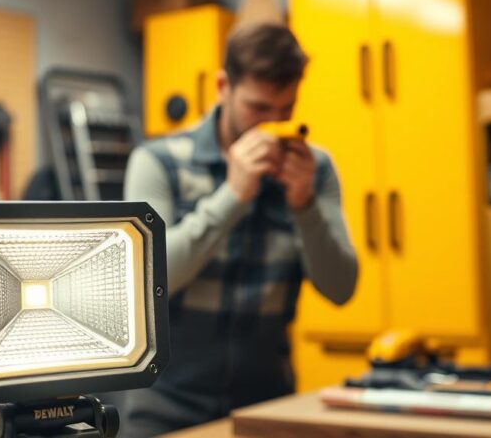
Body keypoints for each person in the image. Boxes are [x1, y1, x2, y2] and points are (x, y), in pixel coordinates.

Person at [119, 23, 358, 436]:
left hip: (267, 402)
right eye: (258, 108)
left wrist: (304, 206)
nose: (273, 126)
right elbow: (146, 280)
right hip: (164, 403)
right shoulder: (159, 161)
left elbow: (341, 288)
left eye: (286, 110)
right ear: (222, 86)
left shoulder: (313, 169)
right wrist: (233, 196)